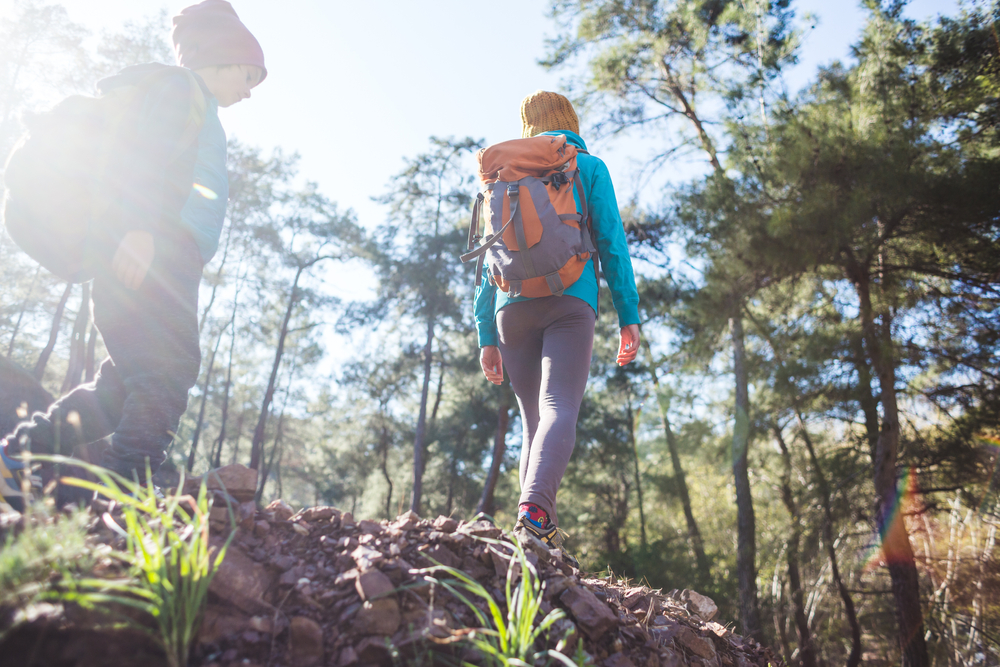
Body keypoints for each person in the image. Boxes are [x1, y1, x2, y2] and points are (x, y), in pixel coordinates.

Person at [0, 0, 266, 510]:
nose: (250, 91)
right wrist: (142, 227)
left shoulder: (197, 106)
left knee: (123, 384)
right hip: (153, 252)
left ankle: (20, 454)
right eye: (249, 74)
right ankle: (124, 488)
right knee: (171, 368)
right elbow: (140, 156)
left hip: (163, 255)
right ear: (221, 56)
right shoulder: (179, 88)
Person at [474, 91, 641, 556]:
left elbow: (485, 257)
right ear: (570, 120)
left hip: (512, 306)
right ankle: (536, 514)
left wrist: (487, 333)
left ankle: (530, 528)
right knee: (559, 406)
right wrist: (628, 314)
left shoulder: (501, 173)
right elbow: (611, 242)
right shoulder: (587, 166)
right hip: (571, 300)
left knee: (534, 421)